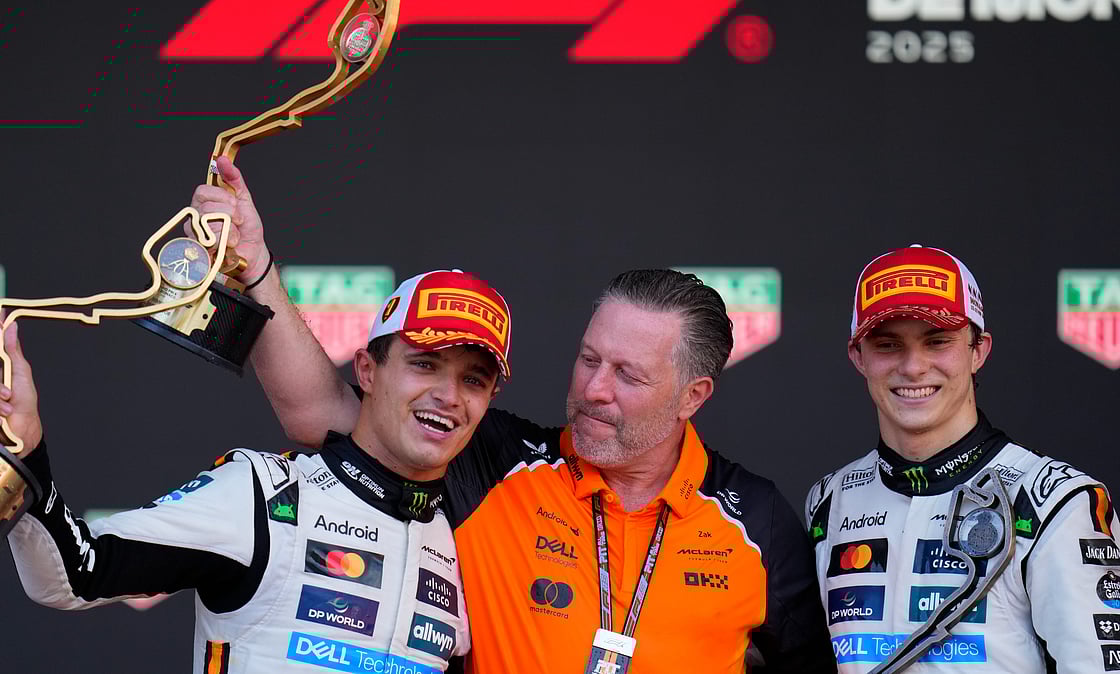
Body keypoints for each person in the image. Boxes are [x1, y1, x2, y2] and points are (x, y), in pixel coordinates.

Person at [203, 160, 835, 672]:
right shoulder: (493, 461)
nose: (593, 389)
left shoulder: (757, 520)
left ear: (693, 396)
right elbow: (320, 410)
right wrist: (255, 268)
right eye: (589, 359)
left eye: (629, 375)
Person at [0, 267, 515, 674]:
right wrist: (25, 454)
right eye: (424, 364)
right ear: (368, 370)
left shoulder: (466, 541)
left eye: (473, 380)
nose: (447, 396)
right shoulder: (264, 495)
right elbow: (72, 576)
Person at [805, 245, 1120, 672]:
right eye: (888, 344)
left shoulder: (1054, 502)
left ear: (978, 350)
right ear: (858, 358)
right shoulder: (830, 501)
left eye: (937, 341)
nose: (913, 366)